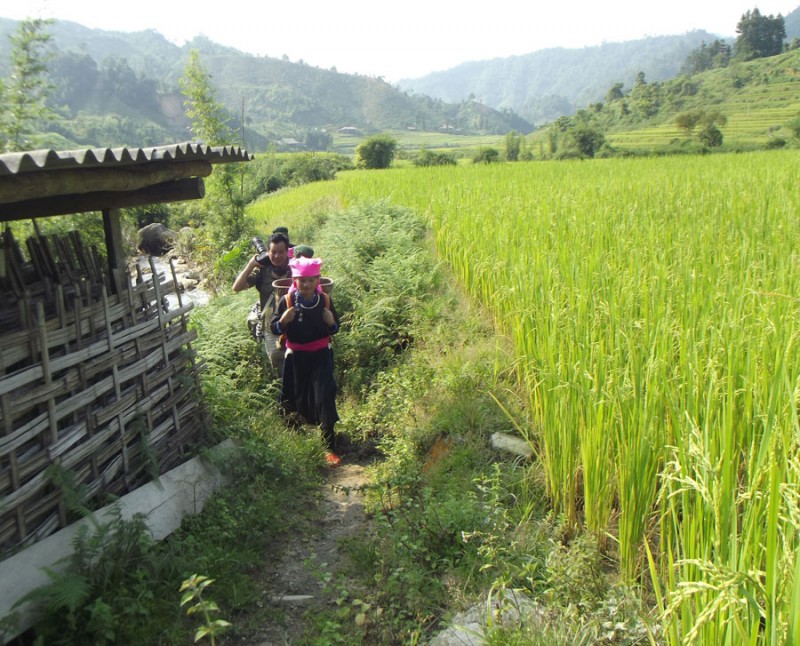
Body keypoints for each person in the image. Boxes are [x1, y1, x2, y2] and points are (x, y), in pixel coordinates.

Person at [270, 256, 341, 466]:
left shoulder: (325, 301)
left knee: (325, 397)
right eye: (302, 280)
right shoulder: (287, 301)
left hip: (321, 356)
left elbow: (335, 327)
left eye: (311, 280)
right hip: (296, 358)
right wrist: (283, 321)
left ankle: (329, 447)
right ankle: (296, 445)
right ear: (295, 281)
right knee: (293, 398)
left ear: (318, 280)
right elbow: (274, 328)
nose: (307, 284)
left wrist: (331, 322)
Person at [232, 231, 291, 374]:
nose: (277, 256)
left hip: (292, 328)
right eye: (273, 252)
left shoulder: (295, 269)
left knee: (295, 366)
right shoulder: (262, 272)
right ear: (268, 252)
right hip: (270, 328)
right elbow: (236, 287)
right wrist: (252, 264)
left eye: (281, 252)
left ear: (287, 252)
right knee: (278, 368)